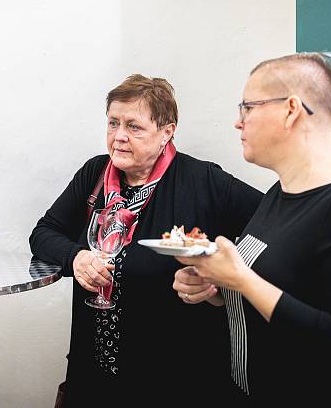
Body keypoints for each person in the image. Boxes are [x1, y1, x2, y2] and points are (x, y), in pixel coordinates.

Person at [173, 53, 331, 407]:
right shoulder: (279, 193)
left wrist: (239, 278)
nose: (238, 122)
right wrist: (215, 287)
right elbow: (276, 293)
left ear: (291, 110)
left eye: (247, 107)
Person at [29, 74, 263, 406]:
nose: (119, 137)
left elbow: (273, 229)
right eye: (113, 123)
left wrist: (220, 279)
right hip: (94, 377)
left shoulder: (202, 180)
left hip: (177, 383)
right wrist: (76, 257)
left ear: (167, 131)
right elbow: (43, 233)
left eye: (134, 126)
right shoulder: (94, 175)